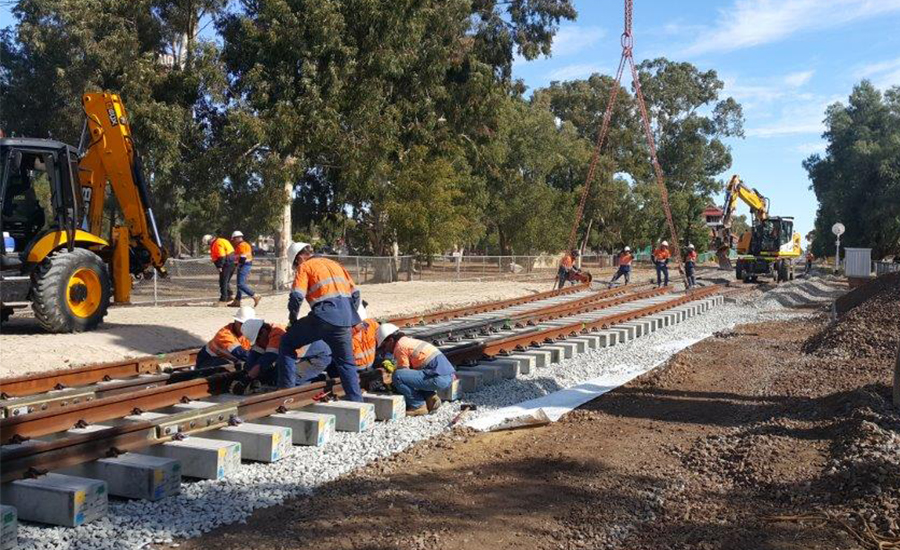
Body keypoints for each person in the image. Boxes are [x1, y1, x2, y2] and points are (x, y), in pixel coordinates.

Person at [275, 242, 364, 401]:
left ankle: (285, 393)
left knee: (287, 342)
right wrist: (348, 317)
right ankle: (357, 402)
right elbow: (356, 293)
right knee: (346, 364)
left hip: (323, 317)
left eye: (295, 263)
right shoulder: (336, 264)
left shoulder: (305, 267)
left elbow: (296, 296)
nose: (296, 267)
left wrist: (293, 319)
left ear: (300, 257)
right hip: (344, 320)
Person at [375, 323, 455, 416]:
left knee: (397, 376)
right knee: (413, 375)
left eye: (384, 346)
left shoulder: (400, 347)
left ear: (391, 340)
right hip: (447, 376)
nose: (385, 350)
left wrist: (391, 383)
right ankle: (430, 398)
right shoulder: (408, 341)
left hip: (438, 379)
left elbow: (402, 372)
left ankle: (417, 406)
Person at [238, 318, 331, 387]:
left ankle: (316, 379)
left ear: (263, 331)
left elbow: (266, 360)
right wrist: (246, 373)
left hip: (317, 358)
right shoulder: (263, 336)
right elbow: (255, 355)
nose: (258, 341)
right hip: (298, 359)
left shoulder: (277, 333)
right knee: (276, 375)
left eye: (258, 338)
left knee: (288, 381)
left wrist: (247, 379)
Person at [204, 232, 236, 306]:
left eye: (208, 243)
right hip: (230, 263)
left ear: (209, 240)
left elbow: (222, 256)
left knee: (223, 282)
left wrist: (220, 266)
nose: (209, 245)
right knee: (225, 281)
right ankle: (230, 295)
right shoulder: (221, 240)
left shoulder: (217, 243)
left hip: (226, 264)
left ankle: (223, 300)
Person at [231, 231, 260, 308]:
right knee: (239, 284)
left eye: (234, 239)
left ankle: (254, 295)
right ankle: (237, 301)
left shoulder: (242, 245)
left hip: (244, 265)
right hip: (246, 265)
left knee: (240, 284)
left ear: (237, 238)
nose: (233, 241)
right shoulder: (245, 244)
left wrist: (238, 265)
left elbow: (243, 257)